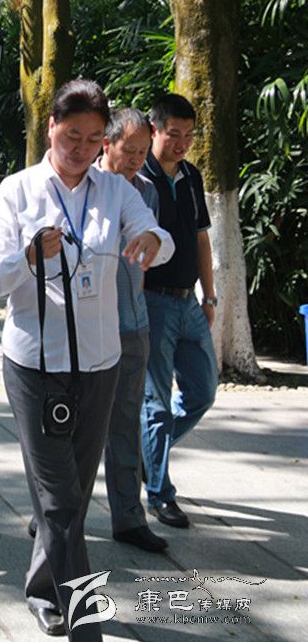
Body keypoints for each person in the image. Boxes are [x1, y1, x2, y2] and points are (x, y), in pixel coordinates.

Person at [0, 80, 173, 642]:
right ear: (50, 128)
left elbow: (155, 233)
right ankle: (87, 625)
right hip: (34, 363)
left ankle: (45, 590)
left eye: (93, 140)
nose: (81, 149)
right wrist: (28, 255)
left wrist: (151, 241)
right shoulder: (18, 190)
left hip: (98, 362)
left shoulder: (114, 191)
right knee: (61, 500)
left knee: (71, 494)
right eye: (71, 136)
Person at [138, 93, 218, 530]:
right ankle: (160, 493)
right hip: (153, 303)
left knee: (202, 393)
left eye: (189, 135)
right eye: (174, 134)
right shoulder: (139, 179)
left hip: (190, 302)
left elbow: (202, 239)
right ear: (154, 130)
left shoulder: (191, 175)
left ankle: (146, 453)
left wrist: (210, 297)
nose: (182, 143)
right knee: (156, 403)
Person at [94, 108, 169, 554]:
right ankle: (54, 513)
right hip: (89, 328)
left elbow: (150, 251)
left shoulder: (147, 191)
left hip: (133, 323)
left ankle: (128, 517)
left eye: (143, 152)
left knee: (125, 423)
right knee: (75, 427)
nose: (137, 159)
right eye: (129, 150)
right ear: (107, 144)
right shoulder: (84, 188)